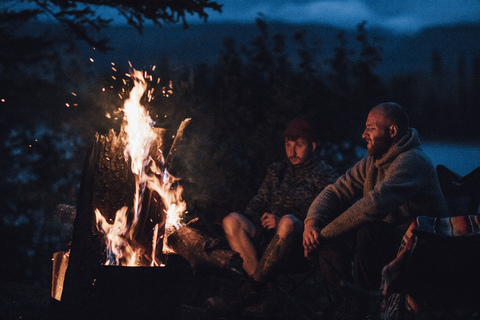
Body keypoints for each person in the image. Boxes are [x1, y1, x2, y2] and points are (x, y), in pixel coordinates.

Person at [303, 102, 449, 320]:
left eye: (370, 128)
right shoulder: (371, 163)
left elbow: (373, 206)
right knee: (339, 237)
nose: (363, 134)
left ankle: (364, 310)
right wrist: (312, 223)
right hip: (389, 242)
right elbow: (335, 190)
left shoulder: (412, 161)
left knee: (369, 231)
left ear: (392, 131)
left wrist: (322, 236)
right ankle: (347, 304)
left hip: (422, 246)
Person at [207, 118, 338, 315]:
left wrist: (282, 220)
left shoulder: (325, 174)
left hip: (300, 246)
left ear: (312, 146)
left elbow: (328, 215)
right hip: (268, 241)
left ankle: (248, 291)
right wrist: (263, 218)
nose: (292, 151)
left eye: (299, 145)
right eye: (288, 145)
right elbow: (254, 206)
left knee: (287, 221)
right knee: (231, 220)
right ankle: (263, 294)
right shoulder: (277, 171)